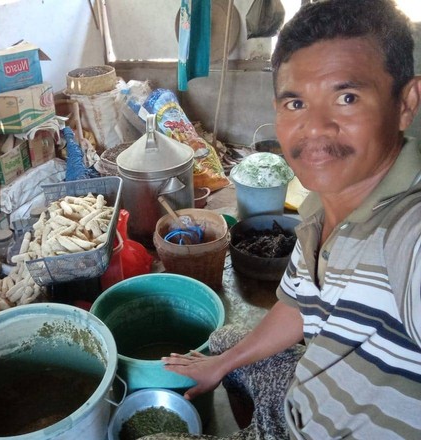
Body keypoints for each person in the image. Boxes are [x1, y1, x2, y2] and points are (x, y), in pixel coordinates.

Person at [144, 0, 421, 438]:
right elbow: (296, 305)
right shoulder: (315, 211)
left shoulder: (407, 233)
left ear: (406, 103)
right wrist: (220, 366)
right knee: (221, 344)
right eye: (295, 103)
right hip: (305, 398)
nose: (315, 128)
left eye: (346, 98)